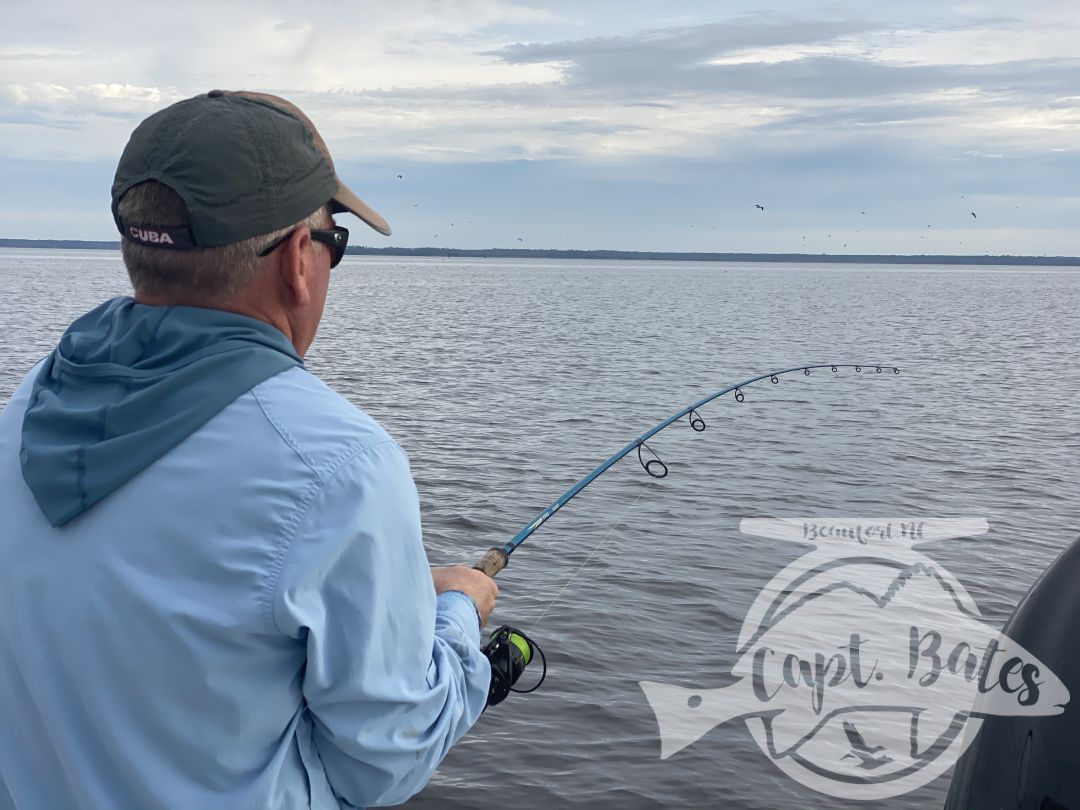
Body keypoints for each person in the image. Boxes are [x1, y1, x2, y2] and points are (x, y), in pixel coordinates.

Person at [0, 90, 498, 809]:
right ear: (300, 257)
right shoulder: (342, 464)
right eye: (334, 241)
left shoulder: (22, 415)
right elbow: (387, 761)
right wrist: (454, 614)